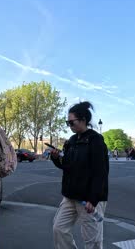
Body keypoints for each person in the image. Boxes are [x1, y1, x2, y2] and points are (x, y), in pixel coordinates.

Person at [50, 101, 109, 249]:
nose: (69, 126)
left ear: (83, 120)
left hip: (89, 198)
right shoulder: (71, 141)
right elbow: (67, 166)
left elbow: (100, 172)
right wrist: (56, 158)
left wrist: (93, 198)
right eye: (67, 123)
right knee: (59, 229)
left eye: (71, 122)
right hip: (70, 195)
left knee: (92, 240)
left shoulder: (96, 140)